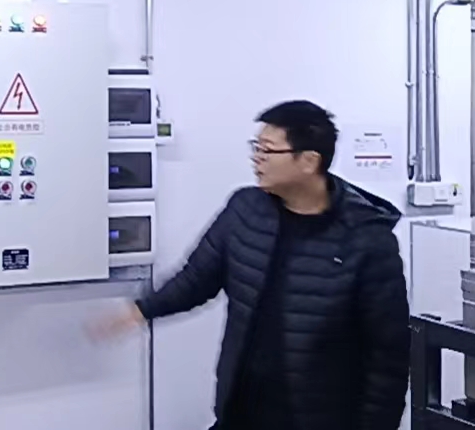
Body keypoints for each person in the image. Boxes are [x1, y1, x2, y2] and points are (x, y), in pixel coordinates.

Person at [92, 100, 410, 430]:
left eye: (268, 150)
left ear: (309, 161)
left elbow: (388, 354)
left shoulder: (367, 239)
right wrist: (140, 311)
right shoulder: (245, 210)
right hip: (241, 410)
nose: (257, 157)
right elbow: (197, 279)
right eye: (256, 147)